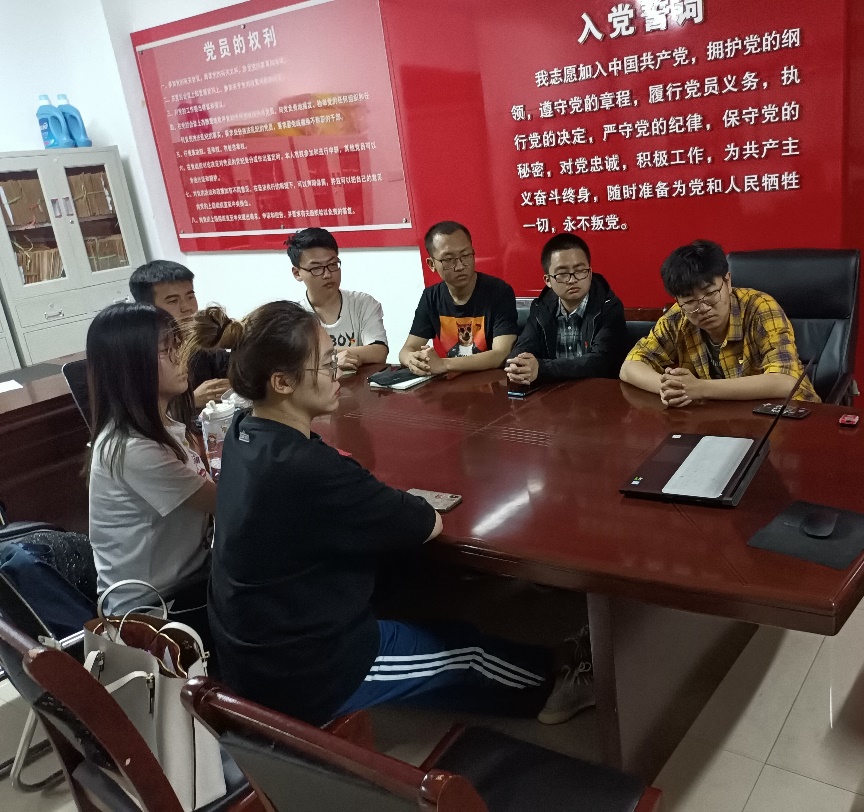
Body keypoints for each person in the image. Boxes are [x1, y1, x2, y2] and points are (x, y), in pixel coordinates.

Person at [188, 302, 592, 726]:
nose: (337, 372)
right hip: (310, 671)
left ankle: (551, 659)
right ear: (282, 382)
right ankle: (555, 685)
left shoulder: (243, 431)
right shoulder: (307, 469)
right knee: (467, 653)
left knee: (411, 589)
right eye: (326, 364)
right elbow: (425, 523)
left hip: (252, 647)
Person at [85, 302, 216, 616]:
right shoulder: (132, 448)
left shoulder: (162, 424)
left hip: (189, 576)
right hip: (153, 610)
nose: (182, 357)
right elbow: (226, 505)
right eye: (167, 350)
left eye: (179, 345)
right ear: (130, 366)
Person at [621, 240, 819, 405]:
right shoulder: (678, 317)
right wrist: (670, 388)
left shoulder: (760, 308)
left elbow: (785, 382)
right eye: (689, 301)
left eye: (710, 293)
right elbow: (630, 366)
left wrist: (701, 389)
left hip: (790, 413)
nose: (703, 307)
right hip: (725, 417)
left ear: (727, 282)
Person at [399, 221, 518, 377]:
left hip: (493, 383)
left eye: (466, 255)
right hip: (454, 384)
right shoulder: (431, 296)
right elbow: (407, 349)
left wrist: (444, 364)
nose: (460, 266)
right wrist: (413, 360)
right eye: (449, 260)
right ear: (432, 264)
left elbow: (501, 354)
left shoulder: (499, 292)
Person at [506, 233, 627, 385]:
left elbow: (600, 363)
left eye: (580, 271)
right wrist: (517, 364)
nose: (572, 280)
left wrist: (542, 368)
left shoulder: (609, 307)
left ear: (590, 273)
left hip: (597, 391)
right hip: (552, 393)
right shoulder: (540, 307)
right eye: (562, 274)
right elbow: (524, 346)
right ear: (548, 280)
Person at [129, 260, 230, 406]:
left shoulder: (199, 341)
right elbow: (140, 409)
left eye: (190, 297)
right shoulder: (139, 355)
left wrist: (234, 384)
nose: (187, 307)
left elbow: (231, 368)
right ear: (147, 308)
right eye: (173, 301)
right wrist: (191, 402)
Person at [288, 227, 389, 373]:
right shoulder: (293, 317)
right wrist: (332, 360)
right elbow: (291, 363)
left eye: (332, 265)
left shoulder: (363, 303)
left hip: (361, 385)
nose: (327, 274)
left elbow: (379, 352)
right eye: (316, 268)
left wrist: (319, 359)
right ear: (297, 273)